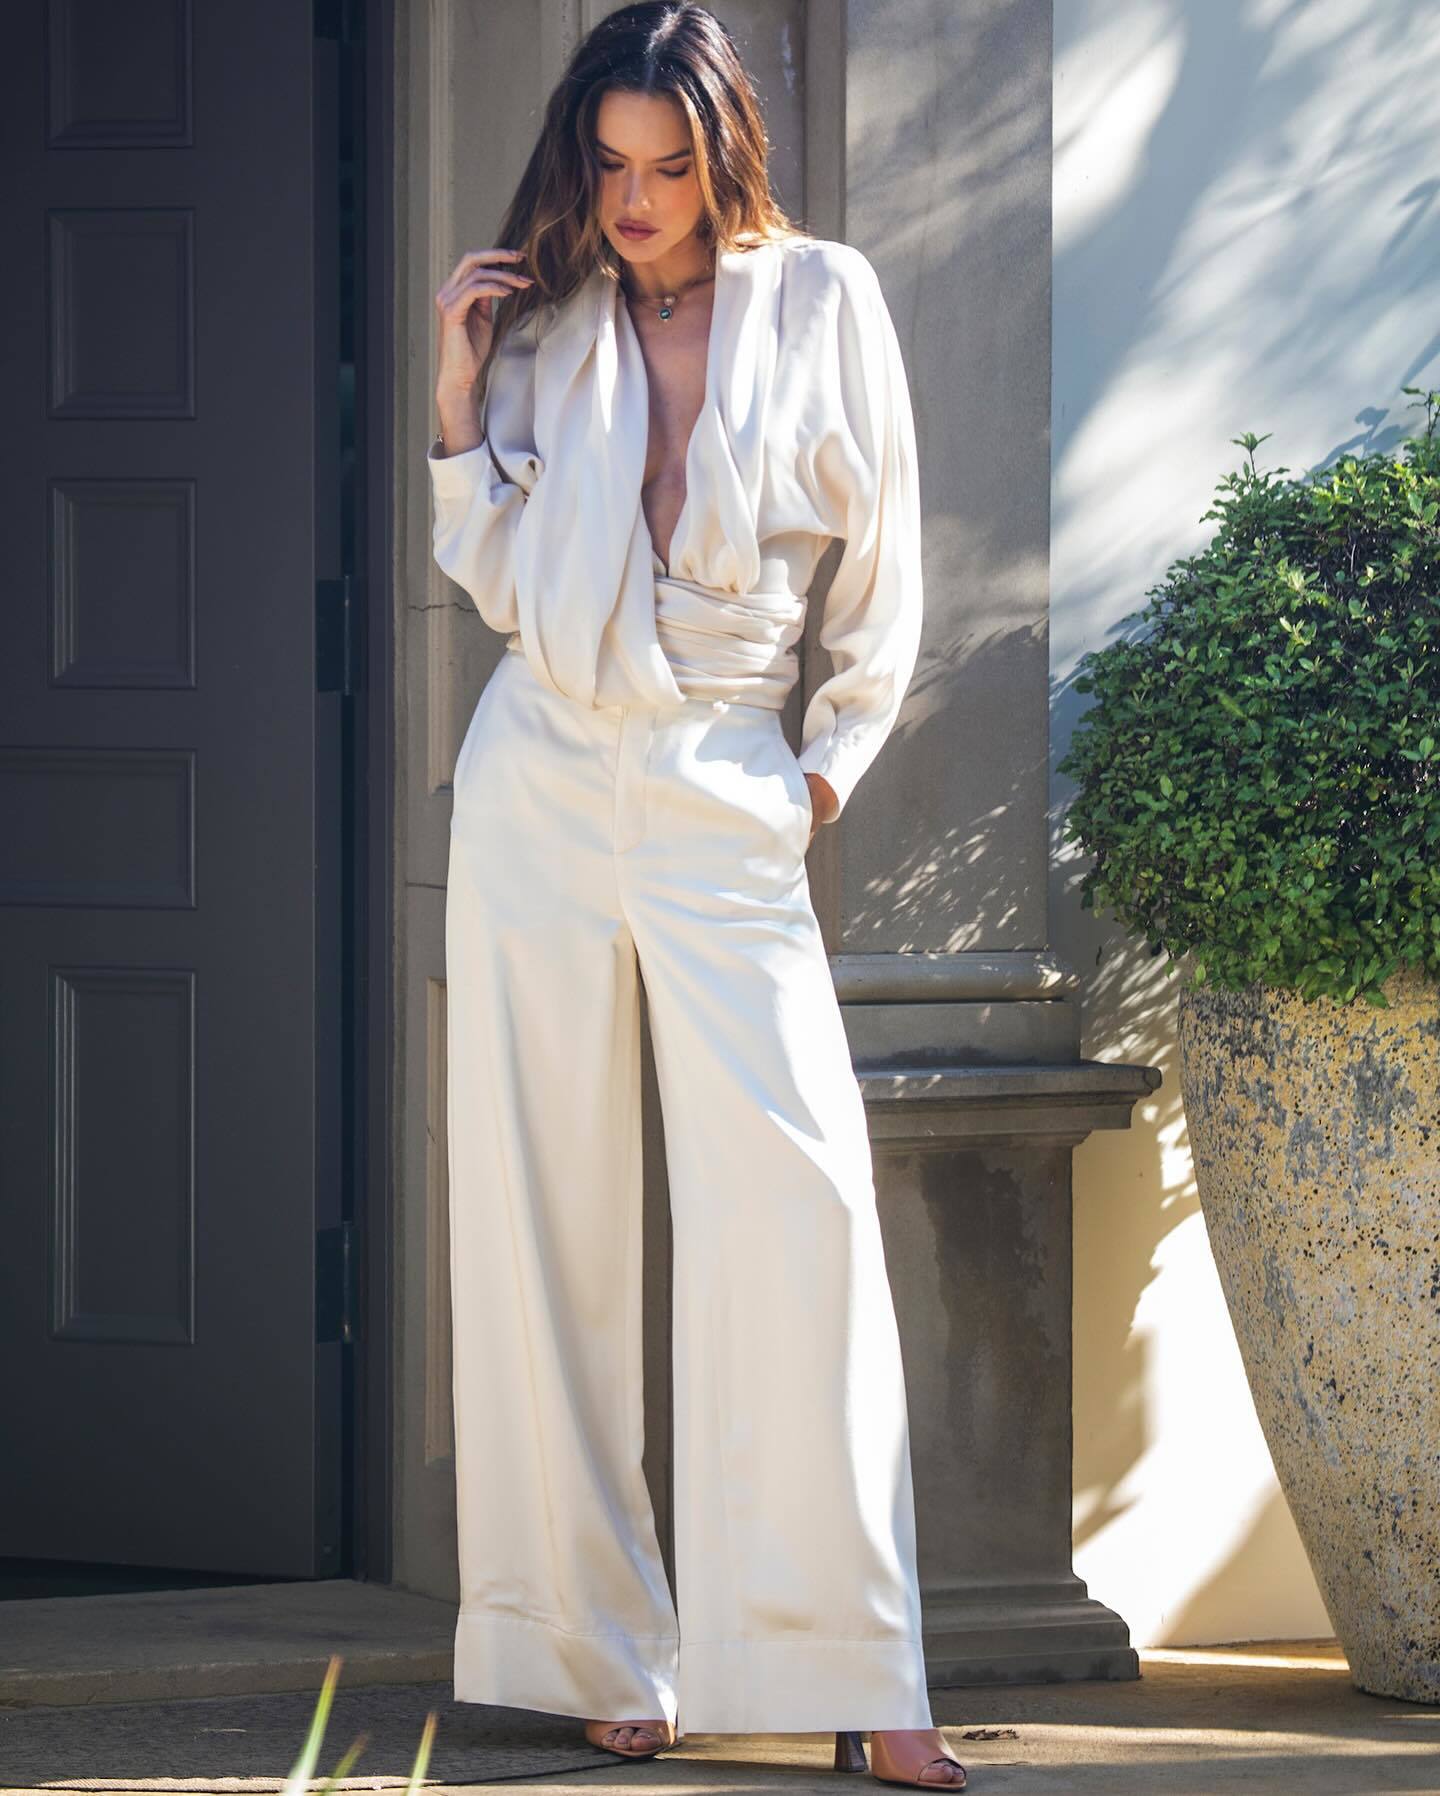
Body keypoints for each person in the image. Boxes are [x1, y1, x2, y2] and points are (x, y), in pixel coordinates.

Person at [428, 4, 966, 1788]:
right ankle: (605, 1647)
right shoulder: (550, 319)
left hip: (726, 772)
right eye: (610, 165)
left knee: (797, 1211)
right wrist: (457, 401)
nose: (637, 198)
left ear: (725, 153)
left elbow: (883, 576)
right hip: (540, 766)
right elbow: (501, 575)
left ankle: (860, 1673)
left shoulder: (824, 301)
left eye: (670, 164)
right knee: (543, 1211)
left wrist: (814, 780)